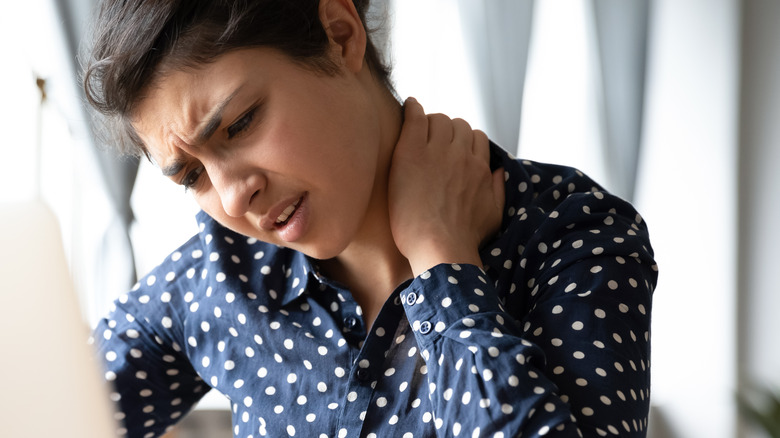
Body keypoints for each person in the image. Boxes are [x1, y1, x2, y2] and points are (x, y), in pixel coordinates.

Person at [82, 0, 658, 437]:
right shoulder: (219, 277)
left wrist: (442, 260)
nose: (233, 199)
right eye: (191, 176)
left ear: (340, 34)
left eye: (239, 123)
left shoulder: (572, 233)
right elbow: (48, 410)